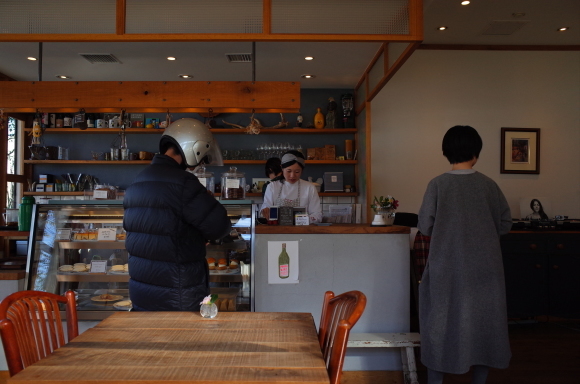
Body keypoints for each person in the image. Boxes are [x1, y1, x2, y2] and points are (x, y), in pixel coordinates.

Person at [417, 125, 512, 384]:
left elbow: (425, 225)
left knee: (440, 324)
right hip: (486, 270)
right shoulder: (489, 186)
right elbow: (505, 223)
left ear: (446, 152)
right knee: (484, 326)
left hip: (446, 268)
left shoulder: (437, 184)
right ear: (476, 152)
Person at [123, 118, 231, 311]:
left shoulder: (138, 181)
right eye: (202, 155)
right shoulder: (183, 183)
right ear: (194, 148)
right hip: (177, 293)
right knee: (181, 340)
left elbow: (164, 228)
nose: (200, 162)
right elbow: (219, 226)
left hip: (142, 292)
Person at [261, 150, 322, 223]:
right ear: (282, 169)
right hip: (278, 232)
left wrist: (302, 220)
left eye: (297, 172)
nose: (292, 176)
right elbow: (266, 207)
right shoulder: (272, 186)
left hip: (302, 231)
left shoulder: (309, 187)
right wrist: (265, 211)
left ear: (302, 171)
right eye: (288, 171)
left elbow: (317, 215)